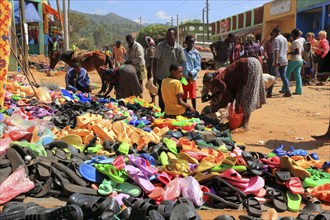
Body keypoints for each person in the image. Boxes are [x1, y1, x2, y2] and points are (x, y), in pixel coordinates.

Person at [201, 57, 266, 130]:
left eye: (207, 86)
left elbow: (227, 96)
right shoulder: (217, 78)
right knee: (239, 99)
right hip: (250, 66)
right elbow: (230, 94)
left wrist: (216, 107)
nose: (208, 88)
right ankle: (240, 122)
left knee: (247, 97)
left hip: (248, 66)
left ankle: (245, 125)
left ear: (210, 81)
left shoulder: (217, 80)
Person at [153, 28, 186, 111]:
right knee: (162, 97)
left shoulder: (179, 48)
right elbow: (155, 60)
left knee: (175, 97)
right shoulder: (160, 46)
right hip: (162, 77)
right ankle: (163, 113)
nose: (168, 37)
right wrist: (154, 76)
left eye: (170, 35)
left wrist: (181, 75)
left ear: (175, 36)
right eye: (167, 35)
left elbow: (182, 62)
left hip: (174, 79)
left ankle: (173, 113)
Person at [182, 35, 201, 110]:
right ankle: (185, 110)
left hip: (192, 78)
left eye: (193, 42)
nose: (191, 44)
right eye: (190, 42)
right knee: (184, 95)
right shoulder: (182, 52)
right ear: (186, 42)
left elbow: (198, 66)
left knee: (193, 95)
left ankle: (194, 110)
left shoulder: (196, 53)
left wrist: (192, 72)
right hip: (183, 78)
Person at [283, 28, 304, 95]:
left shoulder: (295, 42)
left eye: (292, 34)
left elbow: (296, 51)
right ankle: (299, 90)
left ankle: (284, 89)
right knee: (297, 75)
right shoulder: (300, 40)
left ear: (294, 34)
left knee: (287, 74)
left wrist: (289, 53)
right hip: (300, 60)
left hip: (294, 60)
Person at [272, 26, 291, 97]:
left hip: (278, 60)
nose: (272, 34)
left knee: (272, 77)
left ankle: (269, 92)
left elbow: (276, 50)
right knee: (283, 76)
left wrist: (276, 61)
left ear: (275, 32)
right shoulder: (285, 39)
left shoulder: (276, 39)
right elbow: (286, 50)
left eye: (273, 33)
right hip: (284, 59)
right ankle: (288, 91)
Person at [144, 36, 156, 103]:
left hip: (151, 70)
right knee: (150, 85)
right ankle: (152, 100)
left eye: (146, 42)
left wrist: (150, 72)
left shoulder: (151, 49)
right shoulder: (148, 49)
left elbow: (152, 61)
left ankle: (153, 100)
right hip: (149, 69)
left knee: (152, 86)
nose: (145, 43)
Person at [263, 33, 276, 98]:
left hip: (275, 57)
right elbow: (264, 50)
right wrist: (265, 55)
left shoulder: (276, 42)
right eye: (272, 35)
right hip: (269, 57)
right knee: (269, 74)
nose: (273, 37)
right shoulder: (267, 42)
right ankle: (268, 91)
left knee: (273, 75)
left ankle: (269, 92)